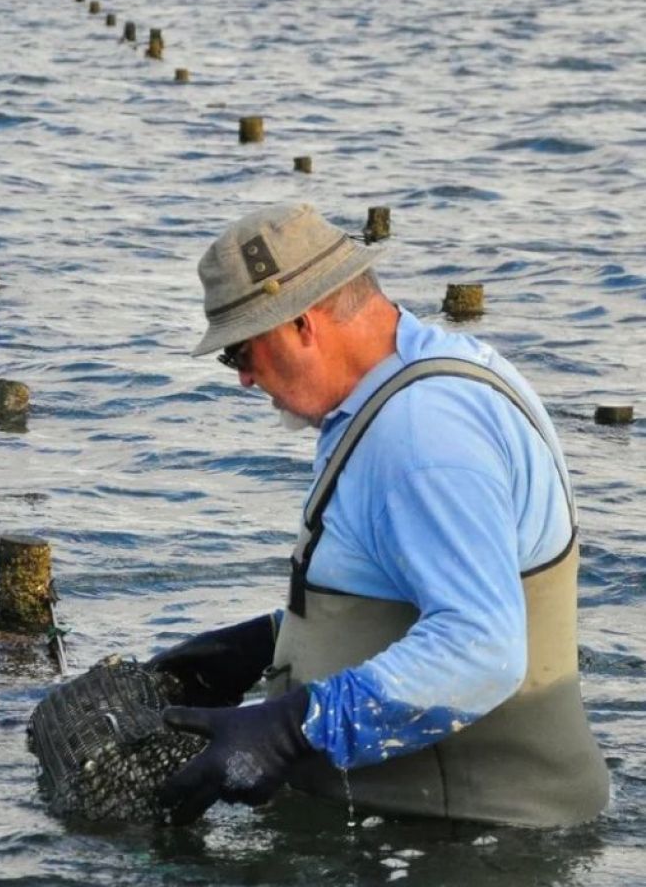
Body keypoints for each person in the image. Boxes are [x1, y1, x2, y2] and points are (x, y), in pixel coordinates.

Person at [152, 202, 610, 827]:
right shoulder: (426, 376)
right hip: (442, 825)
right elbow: (404, 584)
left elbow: (481, 648)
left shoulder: (421, 436)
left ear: (301, 324)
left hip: (471, 841)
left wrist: (289, 729)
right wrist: (266, 644)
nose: (245, 380)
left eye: (241, 353)